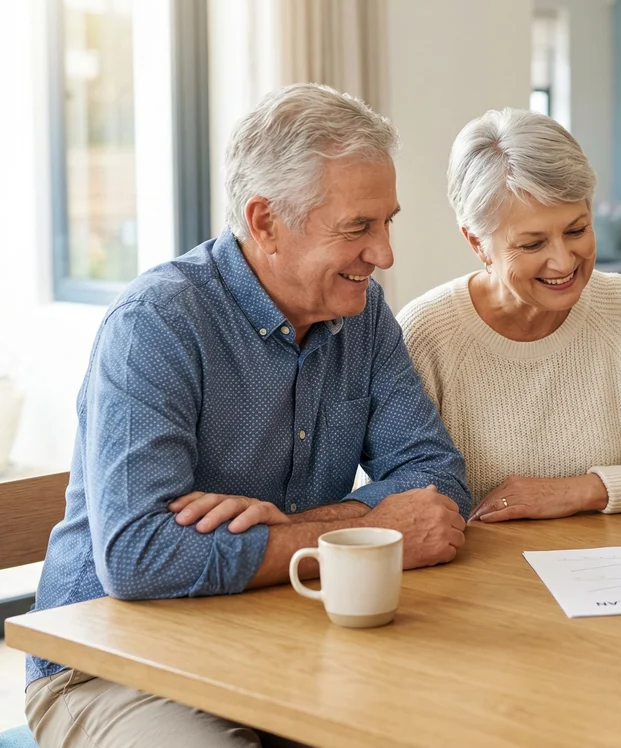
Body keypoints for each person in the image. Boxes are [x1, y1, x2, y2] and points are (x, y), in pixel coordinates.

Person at [25, 83, 471, 747]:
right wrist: (368, 529)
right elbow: (137, 557)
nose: (384, 254)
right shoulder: (157, 325)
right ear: (264, 223)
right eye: (357, 228)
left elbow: (436, 482)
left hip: (284, 631)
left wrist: (287, 528)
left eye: (387, 222)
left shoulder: (364, 315)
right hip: (111, 663)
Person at [399, 108, 621, 522]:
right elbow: (400, 508)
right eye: (532, 244)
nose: (563, 262)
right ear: (477, 244)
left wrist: (581, 491)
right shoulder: (427, 333)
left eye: (576, 230)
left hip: (599, 569)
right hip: (479, 576)